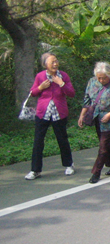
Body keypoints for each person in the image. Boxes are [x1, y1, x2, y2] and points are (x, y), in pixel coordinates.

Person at [25, 52, 76, 180]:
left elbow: (71, 93)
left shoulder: (63, 76)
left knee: (62, 139)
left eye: (56, 61)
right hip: (43, 113)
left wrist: (61, 83)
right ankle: (35, 170)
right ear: (45, 65)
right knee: (38, 142)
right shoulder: (40, 76)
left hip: (59, 113)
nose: (55, 64)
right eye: (52, 62)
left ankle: (68, 165)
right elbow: (33, 93)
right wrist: (40, 87)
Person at [79, 62, 110, 184]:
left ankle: (96, 172)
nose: (101, 80)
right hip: (96, 117)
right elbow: (87, 100)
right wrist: (82, 115)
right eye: (99, 77)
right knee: (104, 144)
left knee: (103, 145)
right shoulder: (92, 82)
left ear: (109, 75)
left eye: (104, 77)